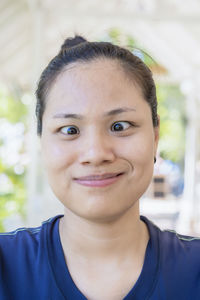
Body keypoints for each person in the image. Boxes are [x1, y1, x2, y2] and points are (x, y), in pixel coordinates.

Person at [0, 35, 200, 300]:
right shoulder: (6, 268)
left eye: (120, 126)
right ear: (41, 143)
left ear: (155, 136)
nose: (95, 154)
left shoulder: (193, 271)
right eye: (69, 130)